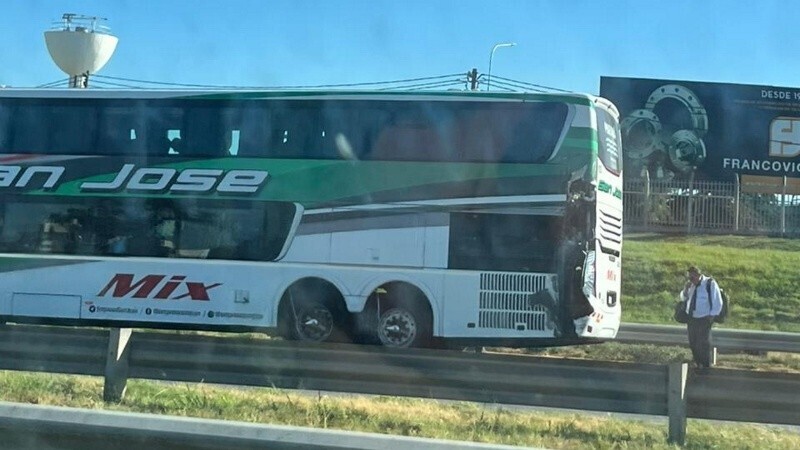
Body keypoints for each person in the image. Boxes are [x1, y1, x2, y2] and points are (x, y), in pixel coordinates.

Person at [681, 266, 723, 371]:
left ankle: (705, 366)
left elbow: (718, 301)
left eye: (692, 277)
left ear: (698, 275)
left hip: (704, 318)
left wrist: (711, 316)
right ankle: (697, 363)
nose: (691, 280)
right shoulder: (690, 285)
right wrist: (686, 289)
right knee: (693, 342)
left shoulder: (710, 283)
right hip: (692, 318)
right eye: (689, 277)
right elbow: (683, 298)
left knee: (703, 344)